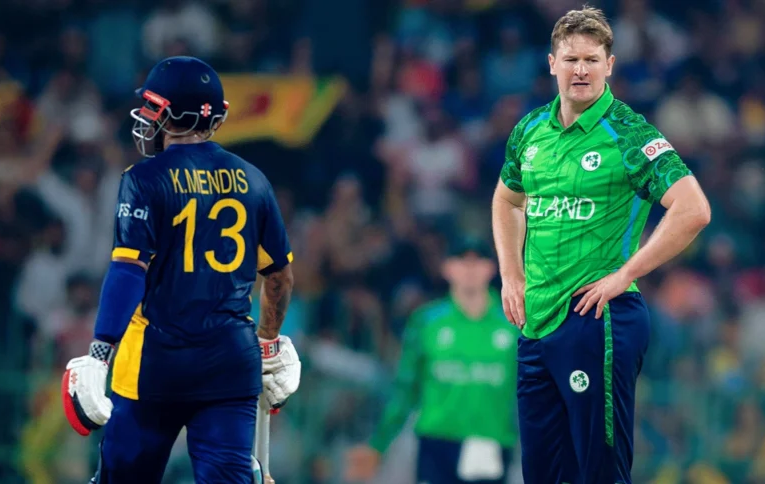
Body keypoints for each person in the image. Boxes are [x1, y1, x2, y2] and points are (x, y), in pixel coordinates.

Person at [490, 7, 711, 484]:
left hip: (598, 318)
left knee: (599, 475)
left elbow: (693, 209)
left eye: (592, 59)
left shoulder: (629, 134)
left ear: (610, 65)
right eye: (571, 59)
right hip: (537, 322)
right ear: (552, 63)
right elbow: (507, 199)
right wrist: (511, 274)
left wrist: (626, 273)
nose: (581, 70)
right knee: (542, 476)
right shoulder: (529, 131)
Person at [60, 56, 302, 483]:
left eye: (154, 106)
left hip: (155, 363)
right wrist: (268, 343)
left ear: (177, 114)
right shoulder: (255, 180)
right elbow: (278, 277)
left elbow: (128, 272)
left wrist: (100, 353)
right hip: (230, 361)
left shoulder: (144, 178)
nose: (147, 116)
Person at [344, 237, 520, 484]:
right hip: (437, 443)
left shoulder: (512, 322)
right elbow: (405, 389)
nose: (470, 268)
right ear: (447, 267)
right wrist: (378, 444)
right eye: (462, 260)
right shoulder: (427, 321)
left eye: (478, 260)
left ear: (492, 267)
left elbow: (532, 391)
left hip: (490, 441)